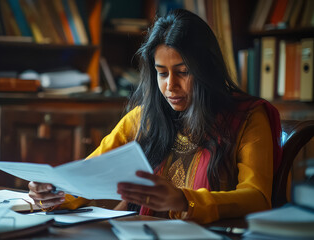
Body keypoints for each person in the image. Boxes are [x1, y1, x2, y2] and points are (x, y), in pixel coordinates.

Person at [28, 9, 282, 224]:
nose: (171, 86)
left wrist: (185, 201)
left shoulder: (247, 117)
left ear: (207, 69)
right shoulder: (143, 119)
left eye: (183, 72)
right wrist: (54, 193)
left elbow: (257, 197)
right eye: (162, 73)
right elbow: (87, 175)